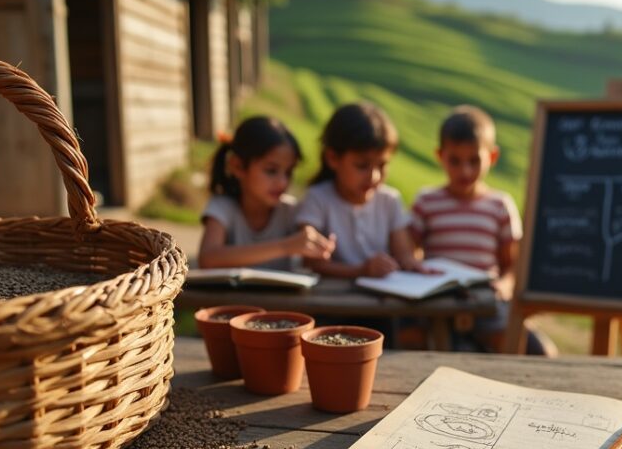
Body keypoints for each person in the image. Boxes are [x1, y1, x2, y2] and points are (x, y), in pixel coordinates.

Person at [410, 105, 523, 353]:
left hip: (486, 302)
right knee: (412, 337)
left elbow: (512, 263)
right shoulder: (426, 202)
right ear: (440, 156)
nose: (465, 171)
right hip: (437, 303)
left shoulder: (500, 205)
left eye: (474, 161)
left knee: (516, 343)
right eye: (455, 160)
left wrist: (504, 284)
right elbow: (408, 250)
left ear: (492, 157)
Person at [295, 102, 426, 278]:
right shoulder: (317, 199)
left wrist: (415, 266)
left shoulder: (390, 200)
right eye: (362, 166)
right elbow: (312, 263)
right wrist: (361, 271)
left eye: (382, 165)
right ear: (333, 158)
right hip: (330, 300)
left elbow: (404, 255)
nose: (374, 176)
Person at [198, 116, 335, 270]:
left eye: (288, 172)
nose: (283, 182)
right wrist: (285, 247)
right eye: (271, 171)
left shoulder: (290, 211)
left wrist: (321, 246)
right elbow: (208, 258)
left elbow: (312, 252)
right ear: (237, 166)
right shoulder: (222, 207)